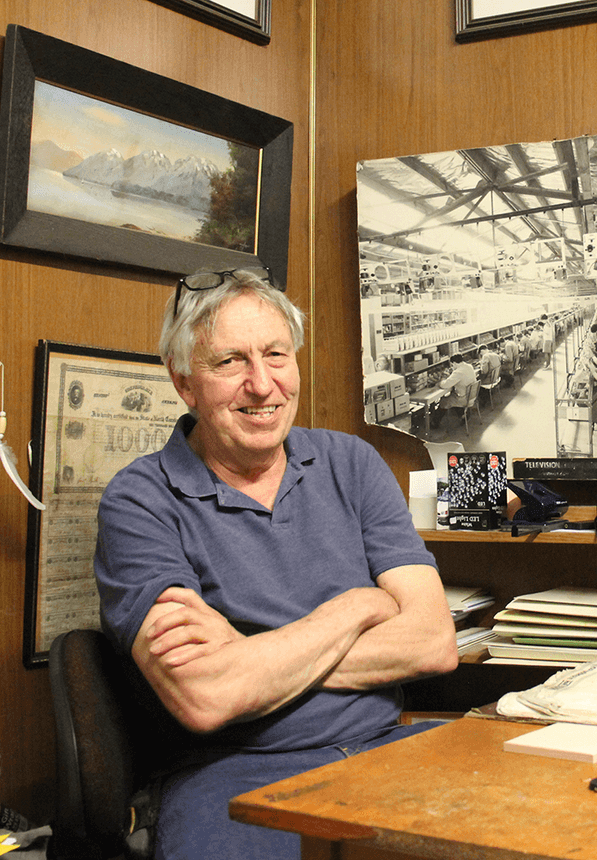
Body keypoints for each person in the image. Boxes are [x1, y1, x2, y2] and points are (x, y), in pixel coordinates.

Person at [94, 268, 459, 860]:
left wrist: (246, 653)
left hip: (390, 748)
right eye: (230, 362)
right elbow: (205, 695)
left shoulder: (352, 463)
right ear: (184, 383)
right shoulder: (140, 500)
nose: (262, 384)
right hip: (235, 776)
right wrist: (359, 605)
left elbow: (432, 643)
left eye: (275, 355)